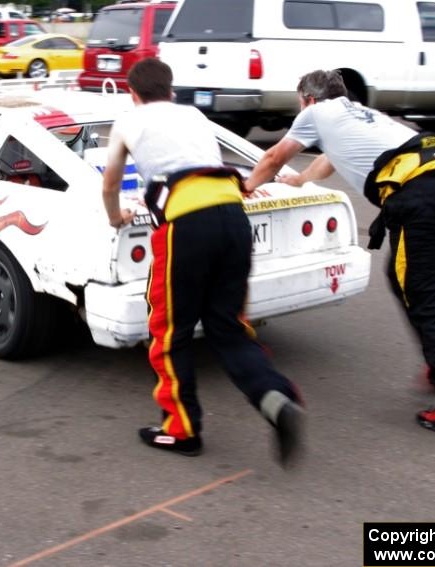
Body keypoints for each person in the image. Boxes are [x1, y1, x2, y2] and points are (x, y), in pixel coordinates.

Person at [245, 69, 435, 436]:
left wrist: (246, 186)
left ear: (307, 99)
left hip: (419, 195)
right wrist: (301, 180)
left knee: (422, 291)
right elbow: (328, 160)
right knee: (405, 280)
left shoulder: (315, 113)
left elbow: (273, 157)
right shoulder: (355, 113)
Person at [102, 58, 305, 465]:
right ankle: (275, 396)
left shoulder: (128, 120)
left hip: (186, 226)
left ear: (132, 93)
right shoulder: (193, 114)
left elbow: (109, 183)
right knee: (227, 327)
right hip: (233, 218)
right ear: (171, 91)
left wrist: (116, 217)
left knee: (169, 331)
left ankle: (181, 431)